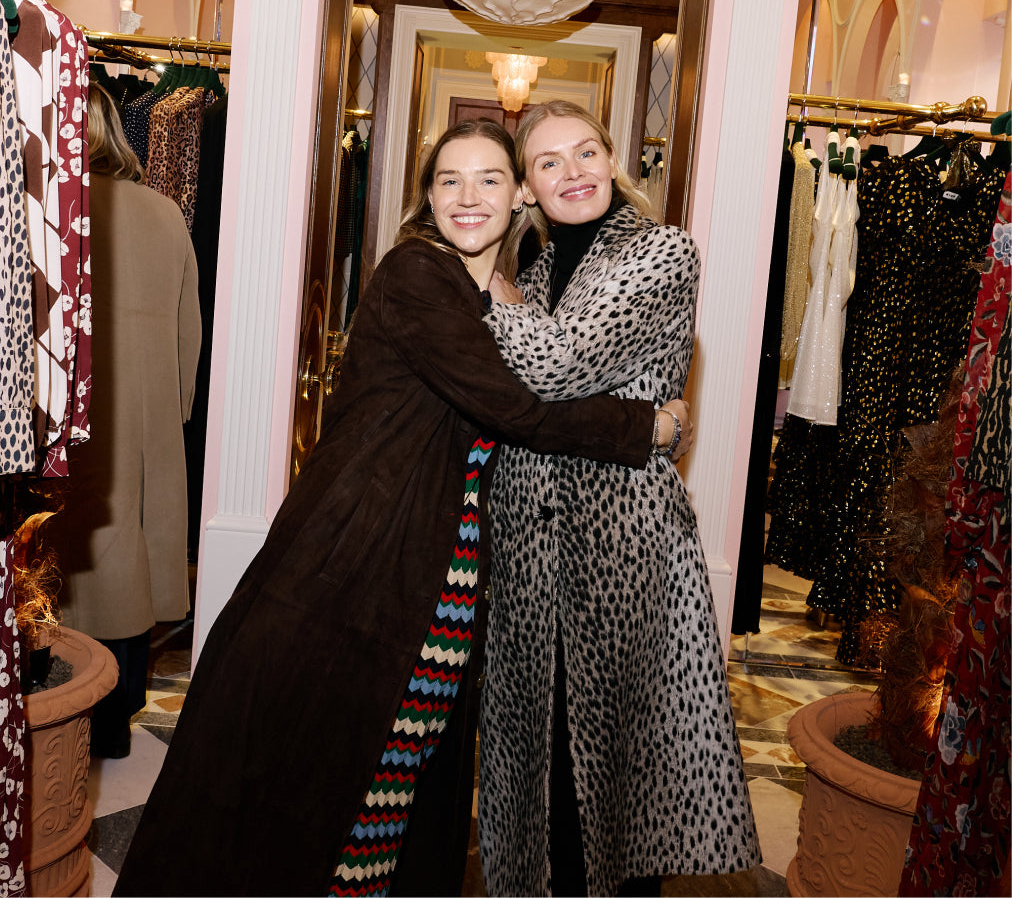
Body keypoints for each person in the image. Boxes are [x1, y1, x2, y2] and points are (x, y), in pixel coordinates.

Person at [114, 120, 691, 898]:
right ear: (427, 196)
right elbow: (515, 408)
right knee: (321, 774)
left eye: (489, 178)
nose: (468, 196)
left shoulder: (510, 294)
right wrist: (645, 428)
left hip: (439, 567)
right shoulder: (418, 273)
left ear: (521, 195)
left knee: (395, 770)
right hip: (356, 556)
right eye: (449, 179)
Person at [480, 100, 760, 897]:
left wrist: (489, 291)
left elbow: (558, 368)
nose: (573, 172)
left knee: (617, 762)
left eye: (587, 152)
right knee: (543, 758)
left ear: (612, 161)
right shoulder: (536, 273)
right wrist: (653, 421)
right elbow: (510, 404)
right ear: (527, 188)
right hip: (530, 547)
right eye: (549, 161)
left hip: (624, 540)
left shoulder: (661, 253)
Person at [49, 85, 200, 758]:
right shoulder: (164, 212)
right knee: (132, 560)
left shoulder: (52, 207)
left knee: (75, 576)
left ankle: (62, 723)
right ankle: (117, 718)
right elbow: (189, 330)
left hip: (71, 419)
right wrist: (174, 411)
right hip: (148, 421)